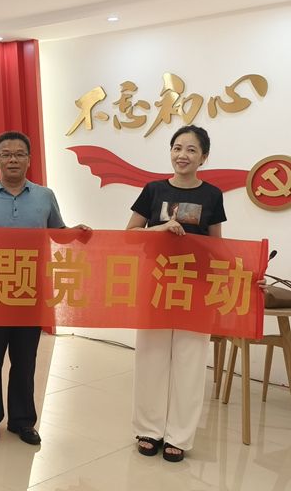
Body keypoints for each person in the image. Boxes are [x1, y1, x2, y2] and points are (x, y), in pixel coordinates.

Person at [0, 130, 89, 446]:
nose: (13, 160)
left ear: (29, 160)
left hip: (30, 290)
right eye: (6, 154)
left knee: (25, 360)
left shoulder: (45, 196)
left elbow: (57, 232)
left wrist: (76, 233)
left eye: (19, 154)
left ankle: (22, 421)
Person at [127, 124, 225, 463]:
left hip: (195, 287)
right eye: (177, 148)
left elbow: (217, 246)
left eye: (191, 150)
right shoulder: (153, 190)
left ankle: (179, 437)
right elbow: (131, 234)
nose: (182, 155)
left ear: (204, 157)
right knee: (150, 357)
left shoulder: (212, 195)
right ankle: (148, 429)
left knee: (190, 362)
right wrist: (160, 228)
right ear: (170, 152)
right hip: (156, 284)